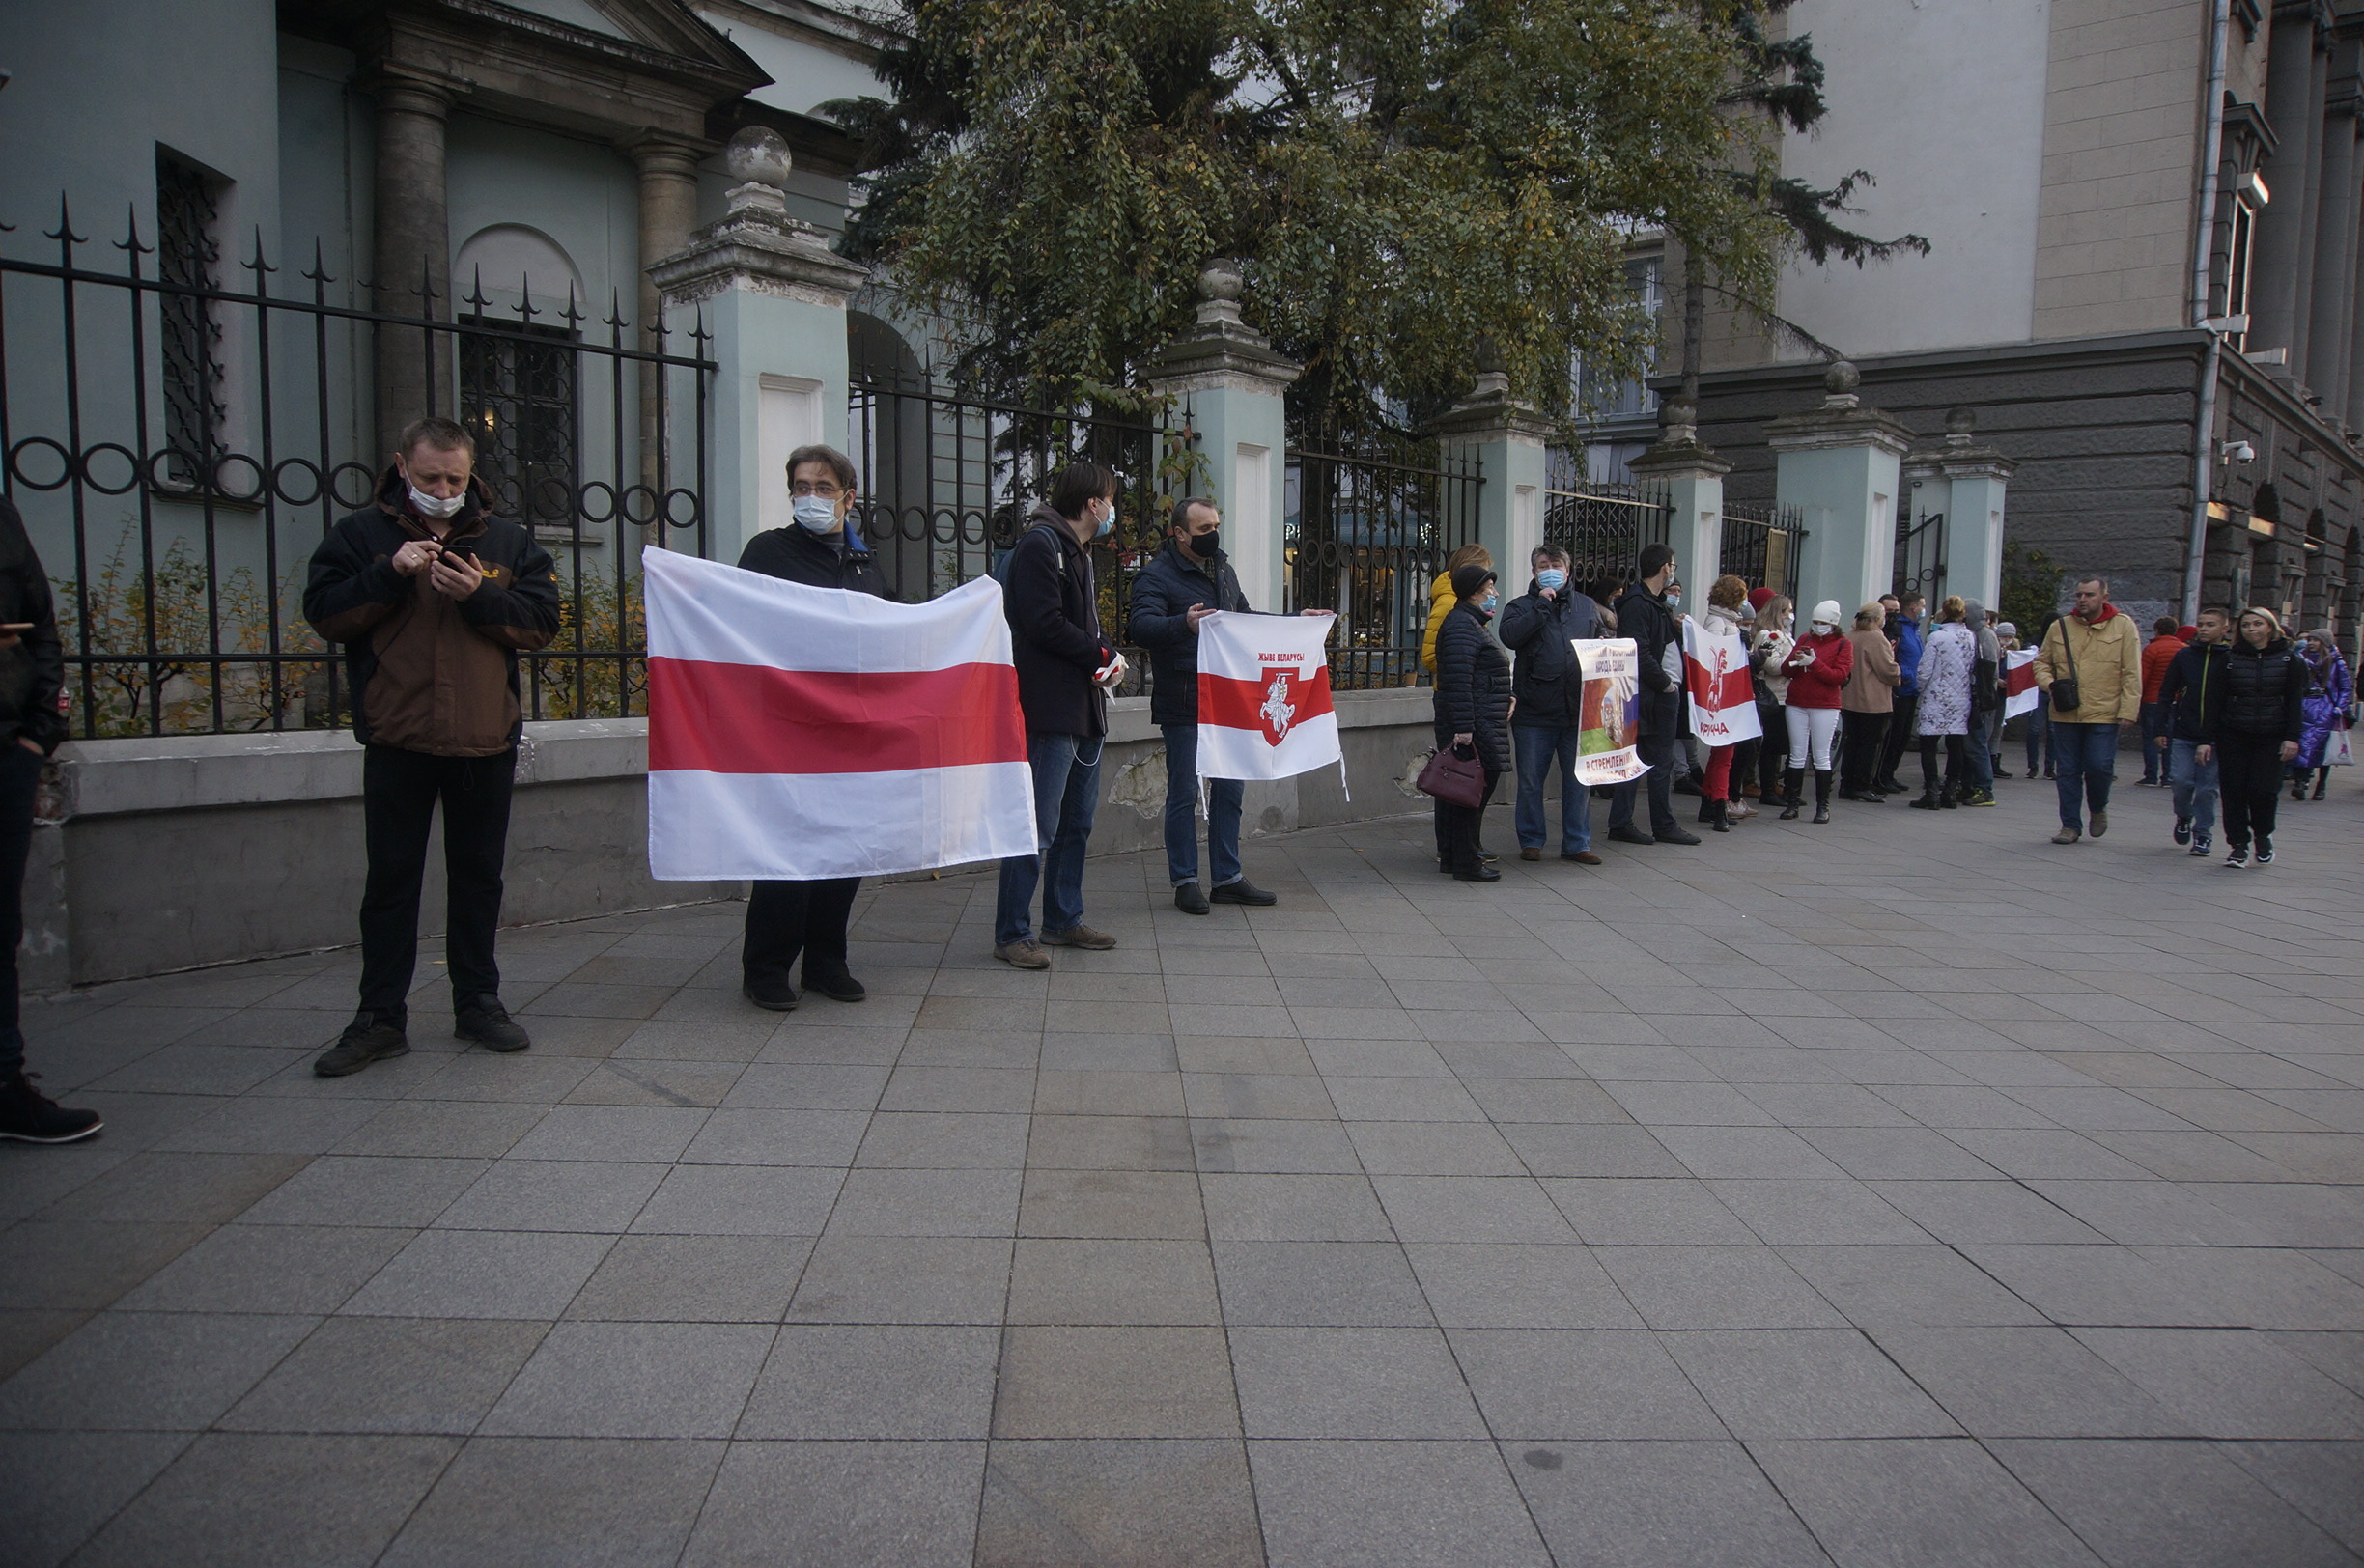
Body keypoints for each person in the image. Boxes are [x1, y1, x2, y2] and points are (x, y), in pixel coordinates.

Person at [302, 416, 560, 1077]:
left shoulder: (506, 540)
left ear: (471, 474)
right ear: (401, 468)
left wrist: (481, 594)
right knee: (391, 882)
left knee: (478, 879)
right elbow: (326, 613)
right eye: (428, 477)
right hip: (399, 736)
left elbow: (541, 624)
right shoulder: (361, 536)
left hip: (482, 740)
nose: (443, 488)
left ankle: (478, 1002)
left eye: (454, 478)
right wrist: (388, 574)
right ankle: (379, 1018)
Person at [735, 444, 890, 1010]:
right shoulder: (768, 552)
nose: (810, 497)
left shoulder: (864, 561)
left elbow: (883, 630)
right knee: (788, 848)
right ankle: (767, 968)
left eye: (824, 488)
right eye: (801, 486)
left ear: (849, 498)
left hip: (849, 726)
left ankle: (827, 961)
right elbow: (743, 629)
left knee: (842, 847)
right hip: (788, 725)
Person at [1129, 495, 1319, 912]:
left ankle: (1228, 878)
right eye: (1202, 530)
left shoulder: (1223, 570)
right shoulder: (1154, 577)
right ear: (1178, 533)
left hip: (1229, 700)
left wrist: (1294, 622)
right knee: (1184, 792)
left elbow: (1245, 621)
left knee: (1230, 788)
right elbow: (1140, 627)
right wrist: (1184, 623)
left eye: (1215, 526)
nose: (1212, 535)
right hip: (1185, 701)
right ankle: (1185, 881)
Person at [995, 462, 1125, 968]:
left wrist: (1106, 654)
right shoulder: (1040, 545)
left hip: (1084, 708)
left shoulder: (1078, 551)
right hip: (1051, 710)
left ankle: (1063, 918)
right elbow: (1043, 624)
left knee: (1076, 824)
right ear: (1093, 503)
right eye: (1110, 499)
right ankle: (1012, 931)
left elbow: (1084, 625)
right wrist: (1099, 655)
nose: (1113, 509)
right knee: (1037, 826)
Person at [0, 495, 97, 1142]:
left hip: (8, 746)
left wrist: (39, 732)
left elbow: (40, 626)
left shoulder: (2, 519)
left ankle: (6, 1085)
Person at [1498, 544, 1606, 863]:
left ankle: (1577, 842)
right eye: (1543, 564)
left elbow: (1599, 639)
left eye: (1556, 563)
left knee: (1578, 782)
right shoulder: (1520, 607)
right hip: (1534, 710)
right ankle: (1531, 839)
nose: (1550, 569)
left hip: (1577, 711)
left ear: (1568, 570)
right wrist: (1541, 607)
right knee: (1531, 781)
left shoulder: (1587, 607)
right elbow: (1510, 637)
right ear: (1534, 572)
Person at [2034, 576, 2142, 845]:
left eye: (2090, 595)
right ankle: (2070, 826)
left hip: (2104, 711)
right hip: (2066, 711)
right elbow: (2041, 663)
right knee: (2067, 769)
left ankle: (2098, 807)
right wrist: (2050, 685)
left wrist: (2129, 710)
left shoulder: (2123, 626)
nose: (2083, 599)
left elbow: (2132, 672)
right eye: (2079, 595)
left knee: (2099, 766)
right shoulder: (2060, 627)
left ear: (2104, 596)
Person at [1606, 544, 1701, 846]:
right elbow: (1639, 651)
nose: (1674, 570)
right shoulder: (1639, 603)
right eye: (1673, 565)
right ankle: (1651, 823)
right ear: (1665, 568)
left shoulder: (1651, 603)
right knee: (1653, 762)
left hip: (1655, 694)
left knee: (1648, 761)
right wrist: (1664, 684)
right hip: (1651, 695)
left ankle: (1638, 822)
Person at [2204, 607, 2308, 867]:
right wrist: (2206, 738)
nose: (2251, 629)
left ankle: (2263, 835)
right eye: (2247, 625)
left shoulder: (2289, 660)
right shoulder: (2229, 659)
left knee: (2264, 790)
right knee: (2234, 791)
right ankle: (2238, 844)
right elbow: (2214, 701)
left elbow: (2295, 701)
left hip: (2272, 735)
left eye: (2257, 624)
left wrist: (2292, 737)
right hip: (2234, 734)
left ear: (2270, 628)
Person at [1432, 563, 1512, 881]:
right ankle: (1466, 862)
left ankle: (1455, 857)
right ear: (1473, 593)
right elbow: (1458, 681)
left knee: (1464, 795)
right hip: (1475, 726)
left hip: (1484, 720)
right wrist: (1464, 729)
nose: (1494, 594)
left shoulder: (1471, 623)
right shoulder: (1462, 626)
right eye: (1488, 589)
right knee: (1470, 795)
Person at [2155, 604, 2231, 857]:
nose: (2204, 629)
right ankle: (2184, 816)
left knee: (2208, 787)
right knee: (2181, 781)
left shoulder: (2230, 658)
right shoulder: (2185, 656)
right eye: (2201, 624)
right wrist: (2160, 727)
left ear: (2224, 628)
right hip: (2184, 732)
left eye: (2210, 624)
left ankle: (2203, 836)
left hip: (2216, 735)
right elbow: (2166, 692)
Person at [1778, 600, 1853, 823]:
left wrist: (1814, 663)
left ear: (1833, 623)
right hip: (1797, 702)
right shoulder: (1804, 638)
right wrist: (1796, 660)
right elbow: (1785, 670)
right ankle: (1792, 804)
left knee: (1821, 756)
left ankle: (1823, 806)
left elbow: (1838, 677)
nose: (1818, 626)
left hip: (1825, 705)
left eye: (1823, 622)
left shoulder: (1843, 644)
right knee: (1796, 754)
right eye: (1815, 622)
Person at [1690, 576, 1755, 831]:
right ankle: (1719, 804)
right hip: (1724, 695)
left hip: (1727, 693)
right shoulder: (1718, 622)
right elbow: (1715, 653)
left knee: (1721, 753)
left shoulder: (1724, 620)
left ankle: (1709, 803)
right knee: (1725, 755)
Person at [1911, 596, 1977, 810]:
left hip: (1937, 696)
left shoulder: (1937, 637)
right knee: (1955, 744)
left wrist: (1920, 688)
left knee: (1929, 744)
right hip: (1960, 697)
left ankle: (1931, 792)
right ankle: (1950, 790)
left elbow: (1924, 670)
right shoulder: (1970, 637)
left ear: (1944, 612)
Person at [1840, 602, 1900, 801]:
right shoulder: (1876, 638)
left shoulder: (1850, 635)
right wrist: (1898, 675)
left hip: (1849, 698)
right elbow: (1887, 669)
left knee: (1852, 742)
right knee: (1869, 745)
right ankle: (1861, 785)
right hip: (1872, 700)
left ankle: (1846, 783)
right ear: (1876, 619)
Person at [2290, 629, 2352, 800]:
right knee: (2300, 744)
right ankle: (2300, 782)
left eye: (2315, 640)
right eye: (2310, 640)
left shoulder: (2336, 662)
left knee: (2322, 748)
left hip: (2326, 709)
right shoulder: (2301, 659)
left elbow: (2345, 687)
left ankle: (2321, 785)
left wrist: (2339, 707)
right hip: (2305, 706)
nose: (2311, 643)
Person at [1875, 589, 1926, 792]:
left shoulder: (1914, 630)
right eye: (1922, 605)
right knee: (1892, 736)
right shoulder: (1899, 630)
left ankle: (1890, 774)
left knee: (1903, 736)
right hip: (1901, 688)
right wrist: (1905, 676)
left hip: (1912, 689)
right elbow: (1894, 657)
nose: (1924, 609)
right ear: (1913, 607)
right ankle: (1881, 775)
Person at [1751, 593, 1796, 808]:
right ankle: (1768, 788)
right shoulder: (1768, 635)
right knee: (1772, 745)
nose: (1791, 615)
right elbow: (1773, 665)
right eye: (1788, 611)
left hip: (1785, 695)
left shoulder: (1784, 635)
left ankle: (1774, 785)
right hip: (1773, 695)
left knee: (1779, 744)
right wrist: (1795, 661)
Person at [1421, 543, 1492, 676]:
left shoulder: (1473, 603)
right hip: (1456, 686)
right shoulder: (1448, 603)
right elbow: (1430, 658)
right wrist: (1468, 666)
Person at [1958, 599, 2002, 805]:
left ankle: (1985, 789)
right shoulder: (1979, 634)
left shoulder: (1983, 636)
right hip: (1979, 698)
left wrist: (1981, 698)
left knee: (1977, 744)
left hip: (1980, 700)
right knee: (1970, 744)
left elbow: (1986, 670)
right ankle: (1968, 785)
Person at [2137, 615, 2183, 785]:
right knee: (2171, 738)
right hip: (2174, 700)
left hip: (2151, 699)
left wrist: (2137, 698)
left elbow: (2143, 676)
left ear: (2157, 630)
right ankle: (2168, 776)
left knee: (2150, 737)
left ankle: (2150, 775)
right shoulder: (2183, 649)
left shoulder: (2152, 649)